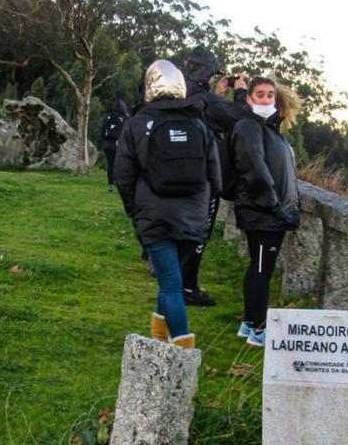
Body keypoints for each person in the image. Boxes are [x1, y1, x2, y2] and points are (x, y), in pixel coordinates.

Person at [114, 60, 222, 349]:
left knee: (171, 284)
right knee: (170, 278)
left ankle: (183, 353)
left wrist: (134, 210)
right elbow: (216, 178)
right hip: (193, 218)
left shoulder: (137, 124)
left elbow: (123, 175)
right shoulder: (199, 124)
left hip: (155, 216)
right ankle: (159, 339)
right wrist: (202, 211)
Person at [231, 76, 302, 347]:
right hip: (264, 214)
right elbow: (254, 167)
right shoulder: (249, 126)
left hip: (268, 213)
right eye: (259, 94)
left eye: (270, 95)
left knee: (258, 269)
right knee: (261, 271)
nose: (265, 99)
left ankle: (249, 323)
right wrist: (274, 206)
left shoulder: (270, 129)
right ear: (249, 99)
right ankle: (259, 330)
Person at [180, 46, 249, 306]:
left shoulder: (180, 96)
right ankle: (187, 288)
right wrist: (241, 90)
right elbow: (240, 118)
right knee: (199, 232)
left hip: (175, 173)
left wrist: (217, 94)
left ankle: (174, 280)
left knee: (181, 229)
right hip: (204, 178)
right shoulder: (207, 101)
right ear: (206, 73)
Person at [98, 99, 129, 191]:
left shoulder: (107, 117)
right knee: (121, 165)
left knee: (110, 165)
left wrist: (103, 142)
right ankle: (121, 183)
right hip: (119, 145)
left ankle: (110, 184)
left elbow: (101, 132)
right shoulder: (125, 118)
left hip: (107, 145)